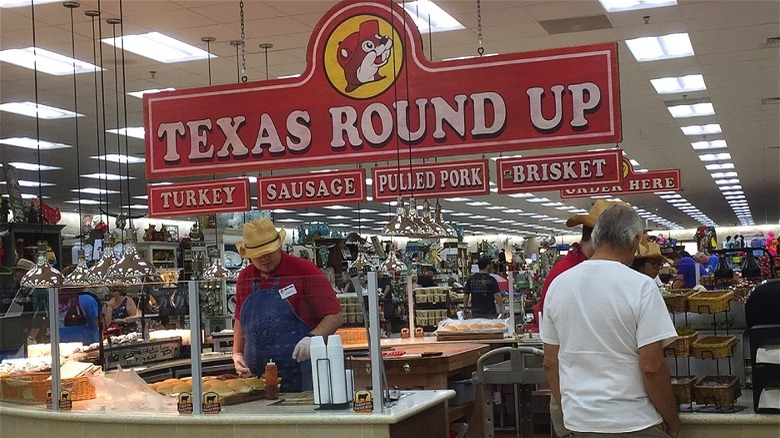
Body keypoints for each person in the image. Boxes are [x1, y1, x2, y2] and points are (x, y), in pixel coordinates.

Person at [542, 204, 680, 438]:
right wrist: (672, 420)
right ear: (635, 242)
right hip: (633, 421)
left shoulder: (558, 285)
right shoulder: (642, 287)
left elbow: (550, 362)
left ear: (595, 238)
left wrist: (571, 412)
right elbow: (652, 368)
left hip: (580, 423)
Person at [538, 199, 624, 438]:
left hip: (593, 394)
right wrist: (562, 399)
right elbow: (552, 351)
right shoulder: (566, 274)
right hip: (575, 395)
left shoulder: (583, 269)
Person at [232, 218, 344, 393]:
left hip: (302, 377)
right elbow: (239, 318)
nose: (264, 258)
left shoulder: (304, 270)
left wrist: (312, 339)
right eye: (258, 254)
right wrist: (237, 353)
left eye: (268, 252)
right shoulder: (245, 277)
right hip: (256, 382)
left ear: (279, 246)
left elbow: (335, 316)